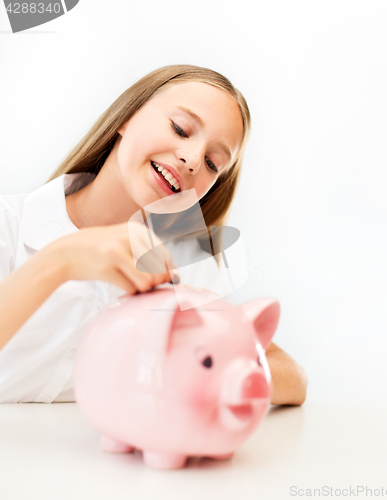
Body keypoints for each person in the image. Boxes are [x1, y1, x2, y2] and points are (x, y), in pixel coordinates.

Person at [0, 64, 308, 405]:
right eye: (180, 129)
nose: (192, 160)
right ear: (126, 118)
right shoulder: (9, 223)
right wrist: (61, 260)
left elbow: (291, 375)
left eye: (212, 163)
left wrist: (217, 370)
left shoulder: (185, 260)